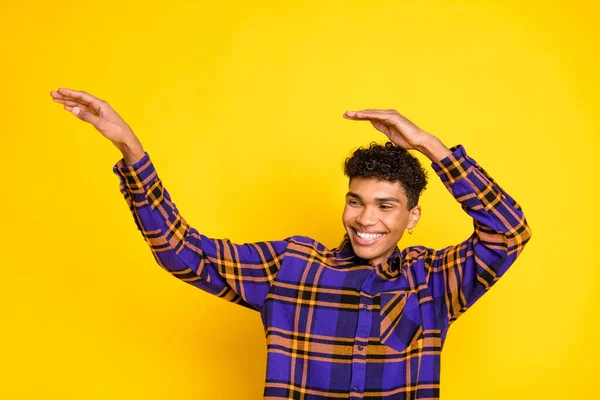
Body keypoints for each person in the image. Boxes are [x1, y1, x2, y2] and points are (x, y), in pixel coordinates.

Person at [50, 88, 532, 400]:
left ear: (412, 218)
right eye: (356, 201)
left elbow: (508, 231)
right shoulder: (294, 265)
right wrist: (131, 151)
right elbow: (182, 251)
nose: (365, 219)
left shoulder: (435, 281)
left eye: (385, 206)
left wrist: (430, 145)